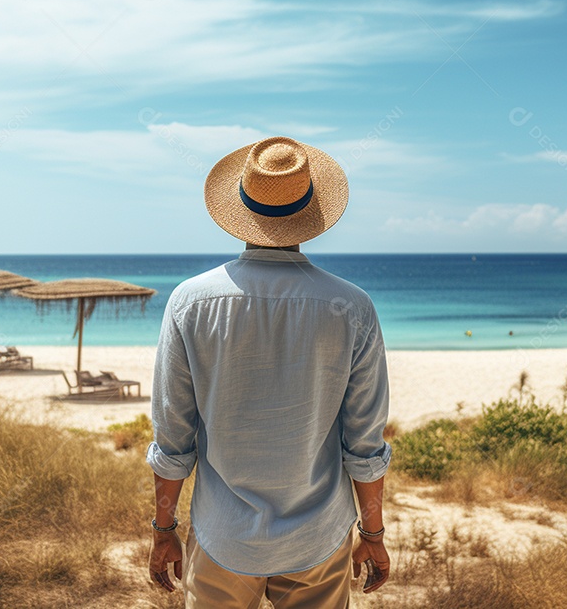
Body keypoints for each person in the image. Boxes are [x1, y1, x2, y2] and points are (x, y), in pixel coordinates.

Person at [146, 136, 392, 608]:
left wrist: (164, 530)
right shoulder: (352, 306)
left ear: (240, 205)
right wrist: (372, 532)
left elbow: (172, 436)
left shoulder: (190, 302)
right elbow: (364, 442)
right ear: (311, 210)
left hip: (223, 536)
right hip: (316, 537)